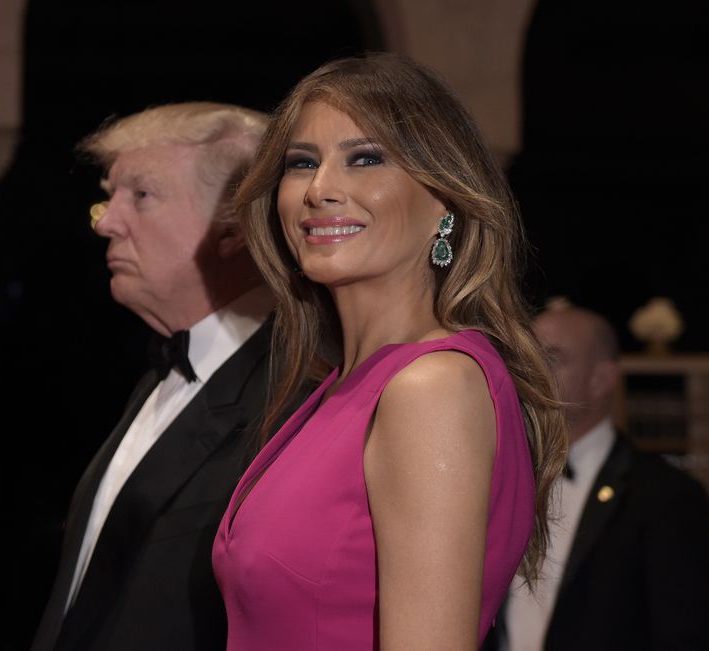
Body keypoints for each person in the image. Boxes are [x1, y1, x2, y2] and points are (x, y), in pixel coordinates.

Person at [211, 53, 568, 650]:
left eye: (365, 159)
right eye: (302, 163)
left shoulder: (432, 388)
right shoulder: (336, 389)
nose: (320, 189)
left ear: (444, 200)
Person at [31, 102, 275, 651]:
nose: (106, 222)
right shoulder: (158, 379)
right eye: (110, 194)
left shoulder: (293, 394)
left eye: (140, 195)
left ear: (234, 229)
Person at [488, 303, 709, 651]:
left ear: (602, 378)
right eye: (526, 356)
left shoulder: (667, 497)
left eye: (553, 357)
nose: (531, 370)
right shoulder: (499, 477)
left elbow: (686, 637)